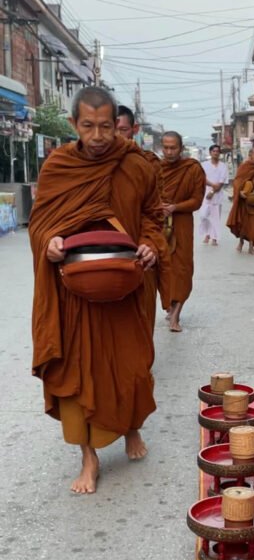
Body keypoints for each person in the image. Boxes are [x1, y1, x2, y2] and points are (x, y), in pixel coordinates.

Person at [29, 86, 167, 495]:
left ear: (118, 126)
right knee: (79, 373)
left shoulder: (137, 166)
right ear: (74, 125)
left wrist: (150, 245)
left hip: (125, 285)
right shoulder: (58, 166)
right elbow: (39, 223)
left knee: (130, 366)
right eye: (88, 126)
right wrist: (49, 242)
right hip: (74, 290)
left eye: (106, 126)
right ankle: (88, 458)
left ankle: (131, 429)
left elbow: (153, 217)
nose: (99, 135)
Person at [115, 105, 171, 332]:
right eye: (112, 129)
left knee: (141, 313)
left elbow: (154, 210)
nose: (117, 136)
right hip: (104, 250)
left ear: (134, 129)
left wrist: (149, 241)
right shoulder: (90, 164)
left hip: (140, 245)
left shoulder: (147, 163)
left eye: (123, 130)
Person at [159, 131, 205, 333]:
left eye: (173, 148)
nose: (169, 152)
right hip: (159, 223)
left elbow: (197, 201)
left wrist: (175, 207)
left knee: (183, 268)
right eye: (166, 148)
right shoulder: (155, 169)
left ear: (181, 148)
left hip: (183, 222)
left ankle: (176, 314)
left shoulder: (192, 169)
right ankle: (170, 305)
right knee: (163, 268)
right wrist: (158, 206)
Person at [226, 146, 254, 255]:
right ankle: (241, 242)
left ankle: (251, 246)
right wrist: (239, 192)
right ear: (250, 156)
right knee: (243, 223)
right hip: (244, 201)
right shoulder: (243, 167)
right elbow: (237, 182)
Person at [199, 144, 228, 246]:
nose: (216, 153)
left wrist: (213, 191)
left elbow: (222, 181)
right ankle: (207, 233)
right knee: (204, 215)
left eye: (217, 151)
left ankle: (214, 237)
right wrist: (211, 186)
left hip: (217, 195)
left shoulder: (223, 166)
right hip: (206, 193)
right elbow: (202, 178)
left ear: (219, 153)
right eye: (214, 151)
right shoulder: (204, 165)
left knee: (215, 216)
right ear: (210, 153)